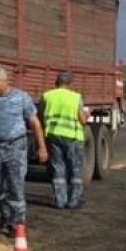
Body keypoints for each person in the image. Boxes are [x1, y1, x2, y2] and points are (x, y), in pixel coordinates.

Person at [0, 65, 48, 236]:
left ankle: (18, 224)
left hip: (16, 146)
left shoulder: (21, 98)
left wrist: (42, 147)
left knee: (16, 186)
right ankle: (6, 214)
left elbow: (35, 123)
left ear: (6, 81)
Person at [41, 72, 91, 209]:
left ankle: (60, 201)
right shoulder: (75, 97)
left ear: (56, 82)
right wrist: (87, 114)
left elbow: (41, 116)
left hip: (53, 135)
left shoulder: (47, 96)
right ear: (70, 83)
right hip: (72, 137)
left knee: (58, 168)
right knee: (75, 169)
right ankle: (73, 201)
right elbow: (82, 120)